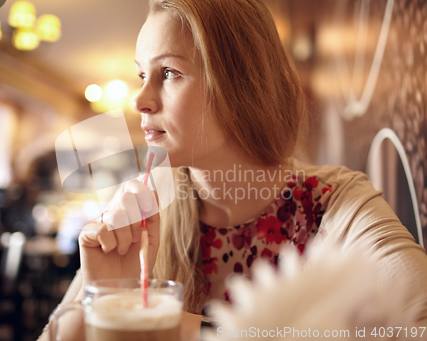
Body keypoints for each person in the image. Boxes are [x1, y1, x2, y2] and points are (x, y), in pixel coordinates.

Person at [38, 0, 427, 340]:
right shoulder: (143, 209)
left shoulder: (336, 204)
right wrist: (101, 298)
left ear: (239, 85)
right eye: (142, 75)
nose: (140, 99)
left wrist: (180, 328)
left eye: (169, 73)